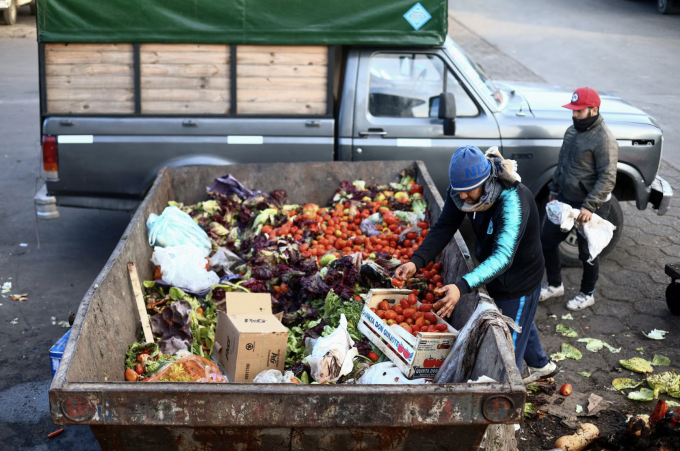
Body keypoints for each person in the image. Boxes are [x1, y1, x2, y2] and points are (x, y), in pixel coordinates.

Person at [395, 145, 556, 383]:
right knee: (520, 320)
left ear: (486, 181)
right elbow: (445, 226)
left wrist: (461, 286)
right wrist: (416, 261)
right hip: (492, 271)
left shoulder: (513, 201)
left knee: (505, 353)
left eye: (467, 192)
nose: (461, 197)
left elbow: (503, 257)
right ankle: (542, 365)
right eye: (458, 191)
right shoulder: (462, 188)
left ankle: (506, 405)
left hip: (518, 279)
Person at [540, 87, 618, 311]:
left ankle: (587, 293)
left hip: (591, 205)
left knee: (588, 252)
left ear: (594, 110)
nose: (574, 115)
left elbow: (608, 177)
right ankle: (555, 284)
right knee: (547, 241)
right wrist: (554, 188)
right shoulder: (571, 131)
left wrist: (589, 206)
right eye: (573, 111)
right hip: (565, 198)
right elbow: (562, 163)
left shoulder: (604, 139)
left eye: (579, 111)